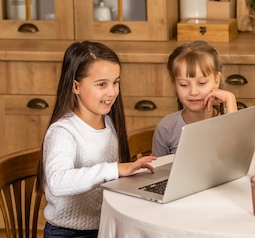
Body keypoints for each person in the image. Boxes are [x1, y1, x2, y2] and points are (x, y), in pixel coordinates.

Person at [37, 41, 156, 238]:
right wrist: (115, 169)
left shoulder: (110, 123)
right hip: (68, 233)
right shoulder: (63, 132)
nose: (112, 92)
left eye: (115, 82)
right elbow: (58, 182)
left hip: (106, 225)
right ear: (76, 86)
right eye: (102, 84)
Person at [152, 40, 238, 157]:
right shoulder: (166, 128)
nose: (193, 92)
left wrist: (230, 100)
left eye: (201, 83)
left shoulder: (227, 119)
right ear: (174, 84)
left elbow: (237, 158)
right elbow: (158, 173)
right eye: (184, 84)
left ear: (216, 80)